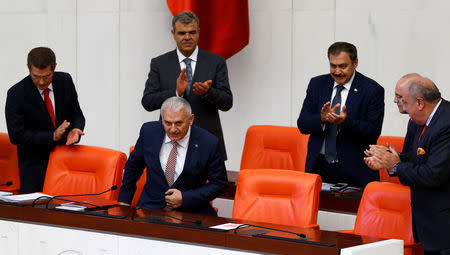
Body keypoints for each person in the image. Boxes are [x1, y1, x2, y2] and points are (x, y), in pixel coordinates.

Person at [364, 77, 450, 255]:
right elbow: (414, 158)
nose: (395, 100)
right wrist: (386, 159)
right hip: (428, 222)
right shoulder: (415, 119)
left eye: (399, 96)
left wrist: (395, 165)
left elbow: (433, 174)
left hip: (444, 225)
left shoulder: (446, 123)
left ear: (419, 102)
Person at [141, 11, 232, 160]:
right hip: (170, 141)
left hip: (206, 143)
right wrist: (176, 92)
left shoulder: (216, 62)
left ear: (198, 32)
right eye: (182, 33)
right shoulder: (159, 63)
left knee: (211, 184)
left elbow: (227, 102)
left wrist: (208, 92)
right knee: (170, 184)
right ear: (173, 33)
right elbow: (148, 102)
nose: (187, 37)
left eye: (192, 32)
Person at [118, 97, 228, 216]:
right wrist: (124, 201)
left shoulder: (208, 142)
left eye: (179, 123)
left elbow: (219, 184)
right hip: (150, 211)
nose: (173, 129)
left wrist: (186, 197)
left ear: (191, 119)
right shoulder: (149, 132)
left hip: (192, 214)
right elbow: (132, 168)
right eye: (168, 123)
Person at [297, 42, 384, 186]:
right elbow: (303, 124)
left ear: (355, 63)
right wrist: (322, 118)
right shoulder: (317, 84)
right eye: (333, 66)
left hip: (355, 170)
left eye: (343, 66)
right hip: (319, 166)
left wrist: (346, 122)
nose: (337, 72)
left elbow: (373, 132)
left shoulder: (372, 90)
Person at [5, 47, 85, 193]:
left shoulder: (65, 81)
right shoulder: (16, 94)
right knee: (37, 213)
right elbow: (16, 135)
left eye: (46, 76)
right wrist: (51, 136)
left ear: (54, 68)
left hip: (66, 163)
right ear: (29, 69)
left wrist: (76, 128)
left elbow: (77, 114)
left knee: (66, 211)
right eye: (36, 76)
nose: (41, 82)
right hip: (34, 168)